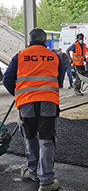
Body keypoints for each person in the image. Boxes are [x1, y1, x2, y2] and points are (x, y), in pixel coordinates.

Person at [3, 28, 62, 191]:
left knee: (30, 138)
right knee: (46, 140)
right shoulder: (54, 56)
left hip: (27, 104)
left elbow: (7, 79)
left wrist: (19, 95)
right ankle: (47, 181)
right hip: (49, 103)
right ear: (45, 41)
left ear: (29, 41)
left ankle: (33, 171)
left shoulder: (20, 56)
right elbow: (60, 78)